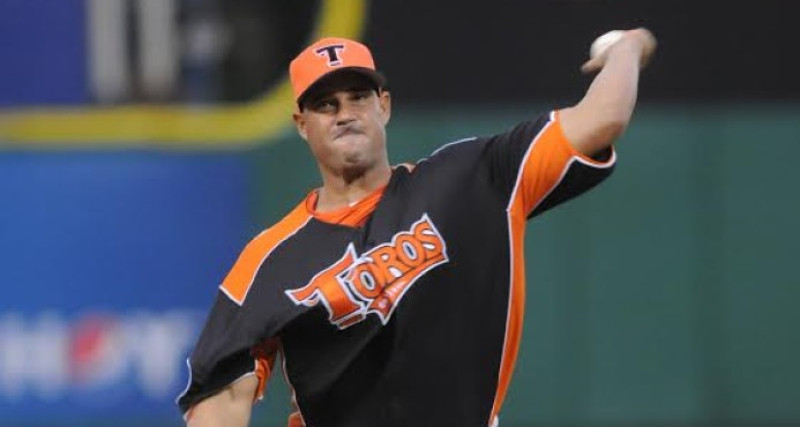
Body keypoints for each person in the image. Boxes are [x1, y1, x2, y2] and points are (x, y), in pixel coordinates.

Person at [177, 29, 657, 427]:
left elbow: (603, 118)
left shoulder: (469, 179)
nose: (345, 113)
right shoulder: (269, 260)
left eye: (358, 97)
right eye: (325, 105)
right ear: (302, 124)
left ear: (383, 105)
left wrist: (627, 49)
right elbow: (222, 399)